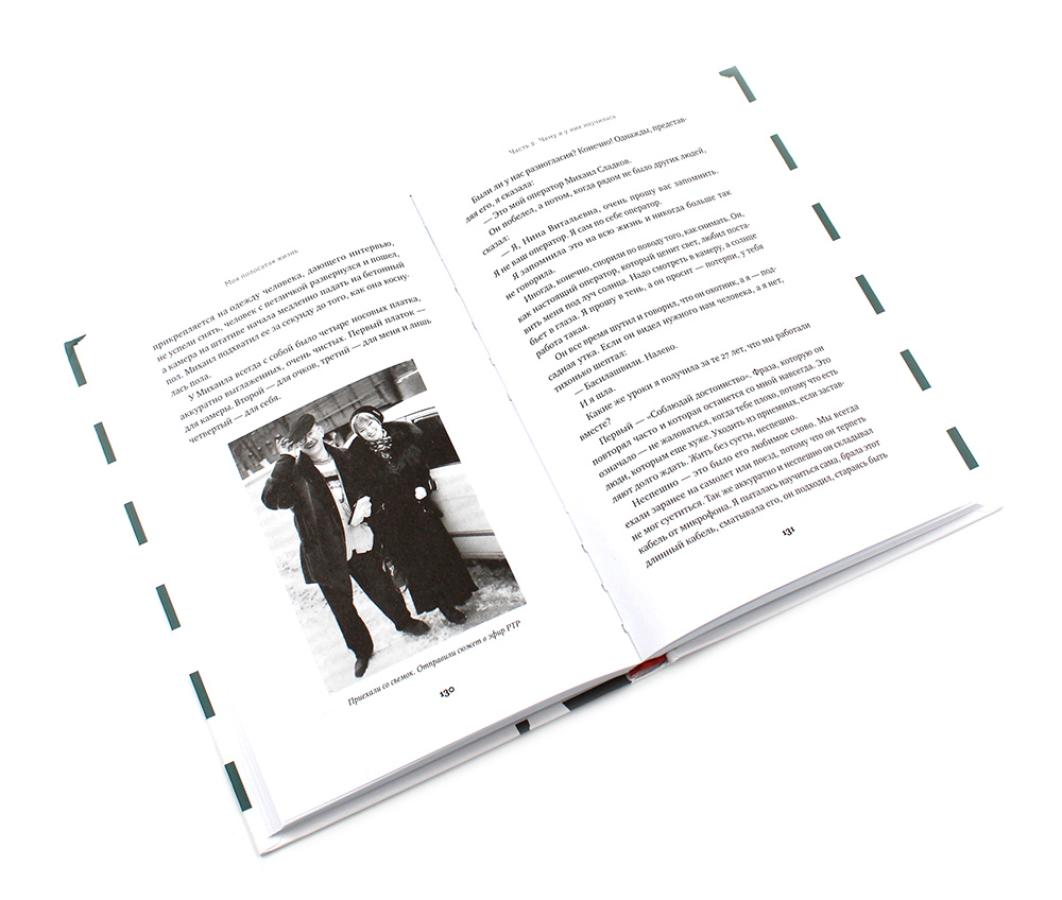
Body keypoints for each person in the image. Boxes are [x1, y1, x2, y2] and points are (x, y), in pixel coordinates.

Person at [261, 413, 429, 678]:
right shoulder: (295, 472)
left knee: (382, 587)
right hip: (324, 549)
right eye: (301, 438)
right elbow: (271, 500)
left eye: (311, 432)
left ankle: (404, 621)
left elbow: (370, 485)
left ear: (320, 430)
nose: (308, 440)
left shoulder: (346, 458)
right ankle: (361, 651)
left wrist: (366, 502)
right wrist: (284, 460)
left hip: (357, 537)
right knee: (342, 607)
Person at [347, 406, 476, 624]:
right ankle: (445, 607)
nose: (369, 430)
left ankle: (457, 593)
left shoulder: (403, 440)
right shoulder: (359, 460)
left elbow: (423, 467)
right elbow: (365, 491)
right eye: (362, 430)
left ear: (378, 421)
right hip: (396, 521)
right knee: (421, 566)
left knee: (441, 554)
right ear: (359, 435)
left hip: (420, 509)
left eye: (370, 424)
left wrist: (423, 486)